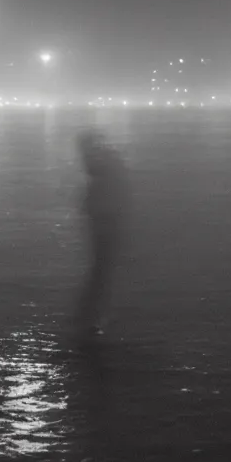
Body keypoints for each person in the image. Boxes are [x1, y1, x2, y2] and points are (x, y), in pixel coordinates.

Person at [75, 130, 130, 336]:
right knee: (102, 268)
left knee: (101, 267)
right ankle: (92, 316)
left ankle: (90, 314)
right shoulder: (100, 163)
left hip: (100, 217)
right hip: (106, 218)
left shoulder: (94, 163)